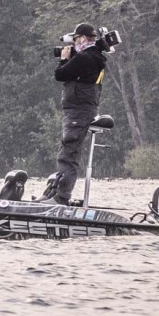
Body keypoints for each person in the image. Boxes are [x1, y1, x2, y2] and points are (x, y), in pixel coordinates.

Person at [44, 22, 107, 205]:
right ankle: (55, 194)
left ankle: (61, 198)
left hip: (78, 111)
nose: (74, 43)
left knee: (68, 155)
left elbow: (60, 75)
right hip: (84, 109)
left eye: (76, 39)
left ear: (83, 38)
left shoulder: (84, 58)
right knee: (68, 151)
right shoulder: (96, 56)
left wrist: (64, 59)